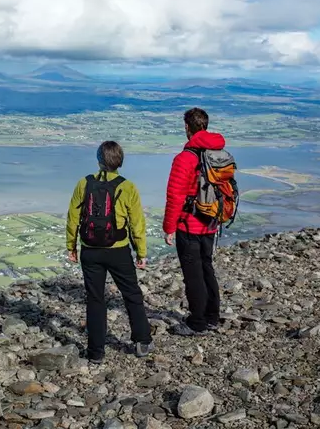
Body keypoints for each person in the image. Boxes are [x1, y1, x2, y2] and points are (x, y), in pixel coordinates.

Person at [66, 141, 153, 363]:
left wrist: (71, 246)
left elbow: (73, 218)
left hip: (90, 250)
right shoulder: (128, 187)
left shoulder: (84, 184)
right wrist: (141, 252)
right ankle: (142, 341)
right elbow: (136, 223)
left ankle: (96, 352)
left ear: (99, 161)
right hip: (118, 251)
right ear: (119, 162)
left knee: (95, 298)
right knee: (131, 294)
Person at [163, 108, 224, 336]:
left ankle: (196, 322)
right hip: (210, 223)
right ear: (205, 126)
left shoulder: (185, 158)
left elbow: (175, 196)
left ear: (187, 127)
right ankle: (212, 317)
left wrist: (169, 227)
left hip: (189, 225)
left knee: (193, 274)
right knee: (207, 267)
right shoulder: (218, 155)